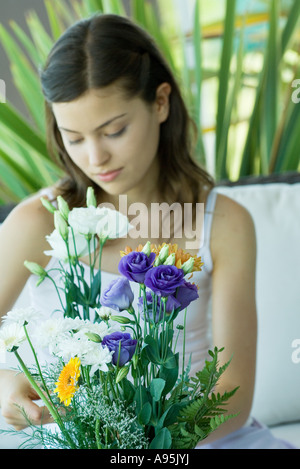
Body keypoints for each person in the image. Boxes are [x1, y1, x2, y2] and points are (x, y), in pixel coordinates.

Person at [0, 14, 295, 449]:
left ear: (160, 102)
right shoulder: (41, 220)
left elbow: (232, 393)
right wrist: (8, 383)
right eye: (74, 138)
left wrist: (150, 446)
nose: (96, 157)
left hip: (191, 442)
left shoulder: (224, 223)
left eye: (114, 130)